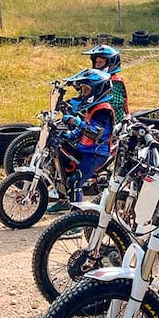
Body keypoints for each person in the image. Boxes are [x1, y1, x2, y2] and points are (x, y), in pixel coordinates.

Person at [46, 68, 115, 213]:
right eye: (82, 89)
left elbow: (97, 133)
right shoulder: (92, 107)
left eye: (86, 90)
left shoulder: (103, 110)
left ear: (97, 90)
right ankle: (64, 201)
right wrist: (69, 135)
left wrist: (77, 123)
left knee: (75, 181)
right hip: (85, 148)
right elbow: (83, 130)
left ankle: (77, 219)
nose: (83, 93)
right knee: (63, 170)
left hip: (96, 153)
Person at [82, 45, 129, 123]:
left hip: (111, 122)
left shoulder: (115, 81)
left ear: (110, 63)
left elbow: (115, 104)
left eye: (100, 62)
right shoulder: (97, 80)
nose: (97, 65)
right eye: (96, 62)